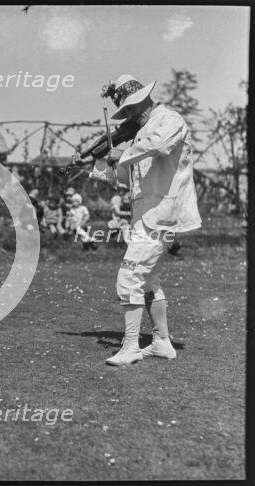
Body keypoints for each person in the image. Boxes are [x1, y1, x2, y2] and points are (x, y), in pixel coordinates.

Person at [86, 74, 201, 365]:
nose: (126, 116)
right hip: (144, 215)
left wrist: (121, 153)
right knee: (148, 279)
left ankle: (131, 347)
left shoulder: (169, 121)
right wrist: (101, 162)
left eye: (128, 109)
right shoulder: (140, 133)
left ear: (141, 101)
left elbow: (158, 146)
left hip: (163, 214)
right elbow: (130, 176)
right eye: (123, 111)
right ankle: (162, 342)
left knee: (130, 277)